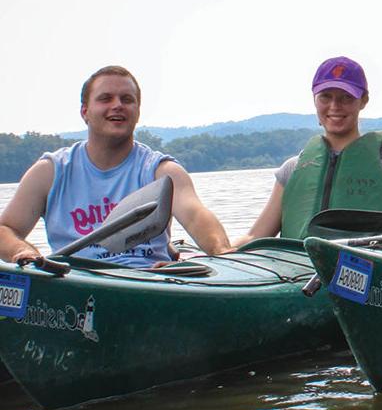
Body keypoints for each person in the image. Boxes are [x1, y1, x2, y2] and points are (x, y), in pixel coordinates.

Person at [0, 65, 232, 267]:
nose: (117, 105)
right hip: (75, 281)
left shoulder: (163, 171)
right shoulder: (50, 171)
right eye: (105, 98)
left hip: (147, 280)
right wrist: (23, 252)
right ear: (85, 112)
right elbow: (6, 229)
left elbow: (195, 215)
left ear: (138, 112)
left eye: (127, 99)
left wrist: (220, 252)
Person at [234, 56, 382, 250]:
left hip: (372, 271)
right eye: (325, 97)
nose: (334, 106)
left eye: (346, 98)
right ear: (314, 99)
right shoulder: (293, 169)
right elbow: (256, 236)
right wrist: (220, 250)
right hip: (298, 274)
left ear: (363, 101)